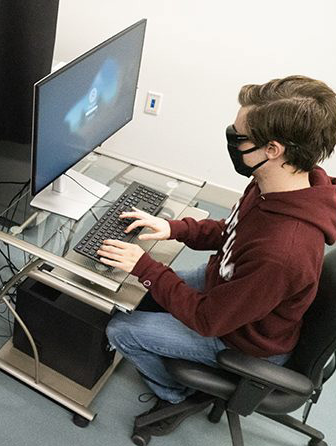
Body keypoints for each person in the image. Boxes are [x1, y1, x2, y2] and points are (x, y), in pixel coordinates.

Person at [100, 75, 336, 437]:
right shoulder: (278, 182)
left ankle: (174, 392)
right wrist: (174, 228)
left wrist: (144, 266)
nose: (232, 138)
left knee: (121, 329)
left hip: (242, 339)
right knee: (138, 298)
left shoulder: (283, 252)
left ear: (273, 149)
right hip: (233, 291)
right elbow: (233, 230)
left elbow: (208, 320)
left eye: (239, 135)